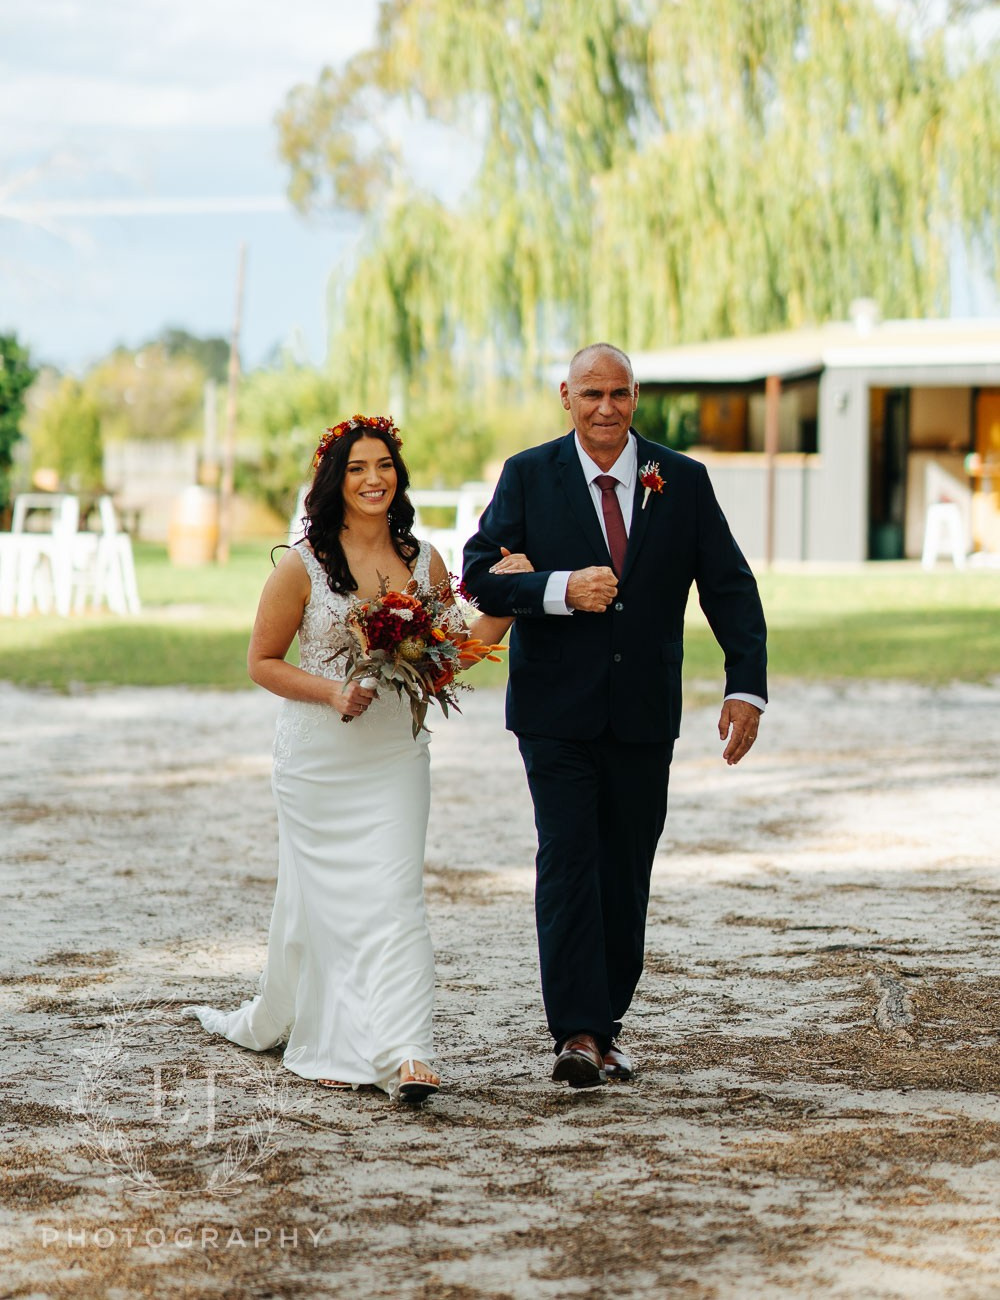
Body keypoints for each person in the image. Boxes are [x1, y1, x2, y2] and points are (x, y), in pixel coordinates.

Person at [462, 344, 768, 1088]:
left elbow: (728, 585)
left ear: (638, 396)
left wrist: (745, 686)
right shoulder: (528, 475)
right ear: (566, 395)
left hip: (643, 711)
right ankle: (577, 1034)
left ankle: (606, 1025)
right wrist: (561, 588)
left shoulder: (683, 481)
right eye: (592, 393)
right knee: (568, 861)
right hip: (553, 713)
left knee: (625, 870)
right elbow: (478, 576)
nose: (606, 407)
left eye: (621, 394)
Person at [186, 414, 513, 1104]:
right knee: (333, 905)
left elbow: (447, 662)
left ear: (399, 477)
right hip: (317, 765)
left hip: (396, 754)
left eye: (385, 466)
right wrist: (333, 690)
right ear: (335, 481)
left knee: (396, 899)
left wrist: (507, 604)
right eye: (359, 468)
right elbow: (262, 663)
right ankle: (334, 1042)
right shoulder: (300, 567)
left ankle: (407, 1050)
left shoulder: (424, 562)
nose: (374, 480)